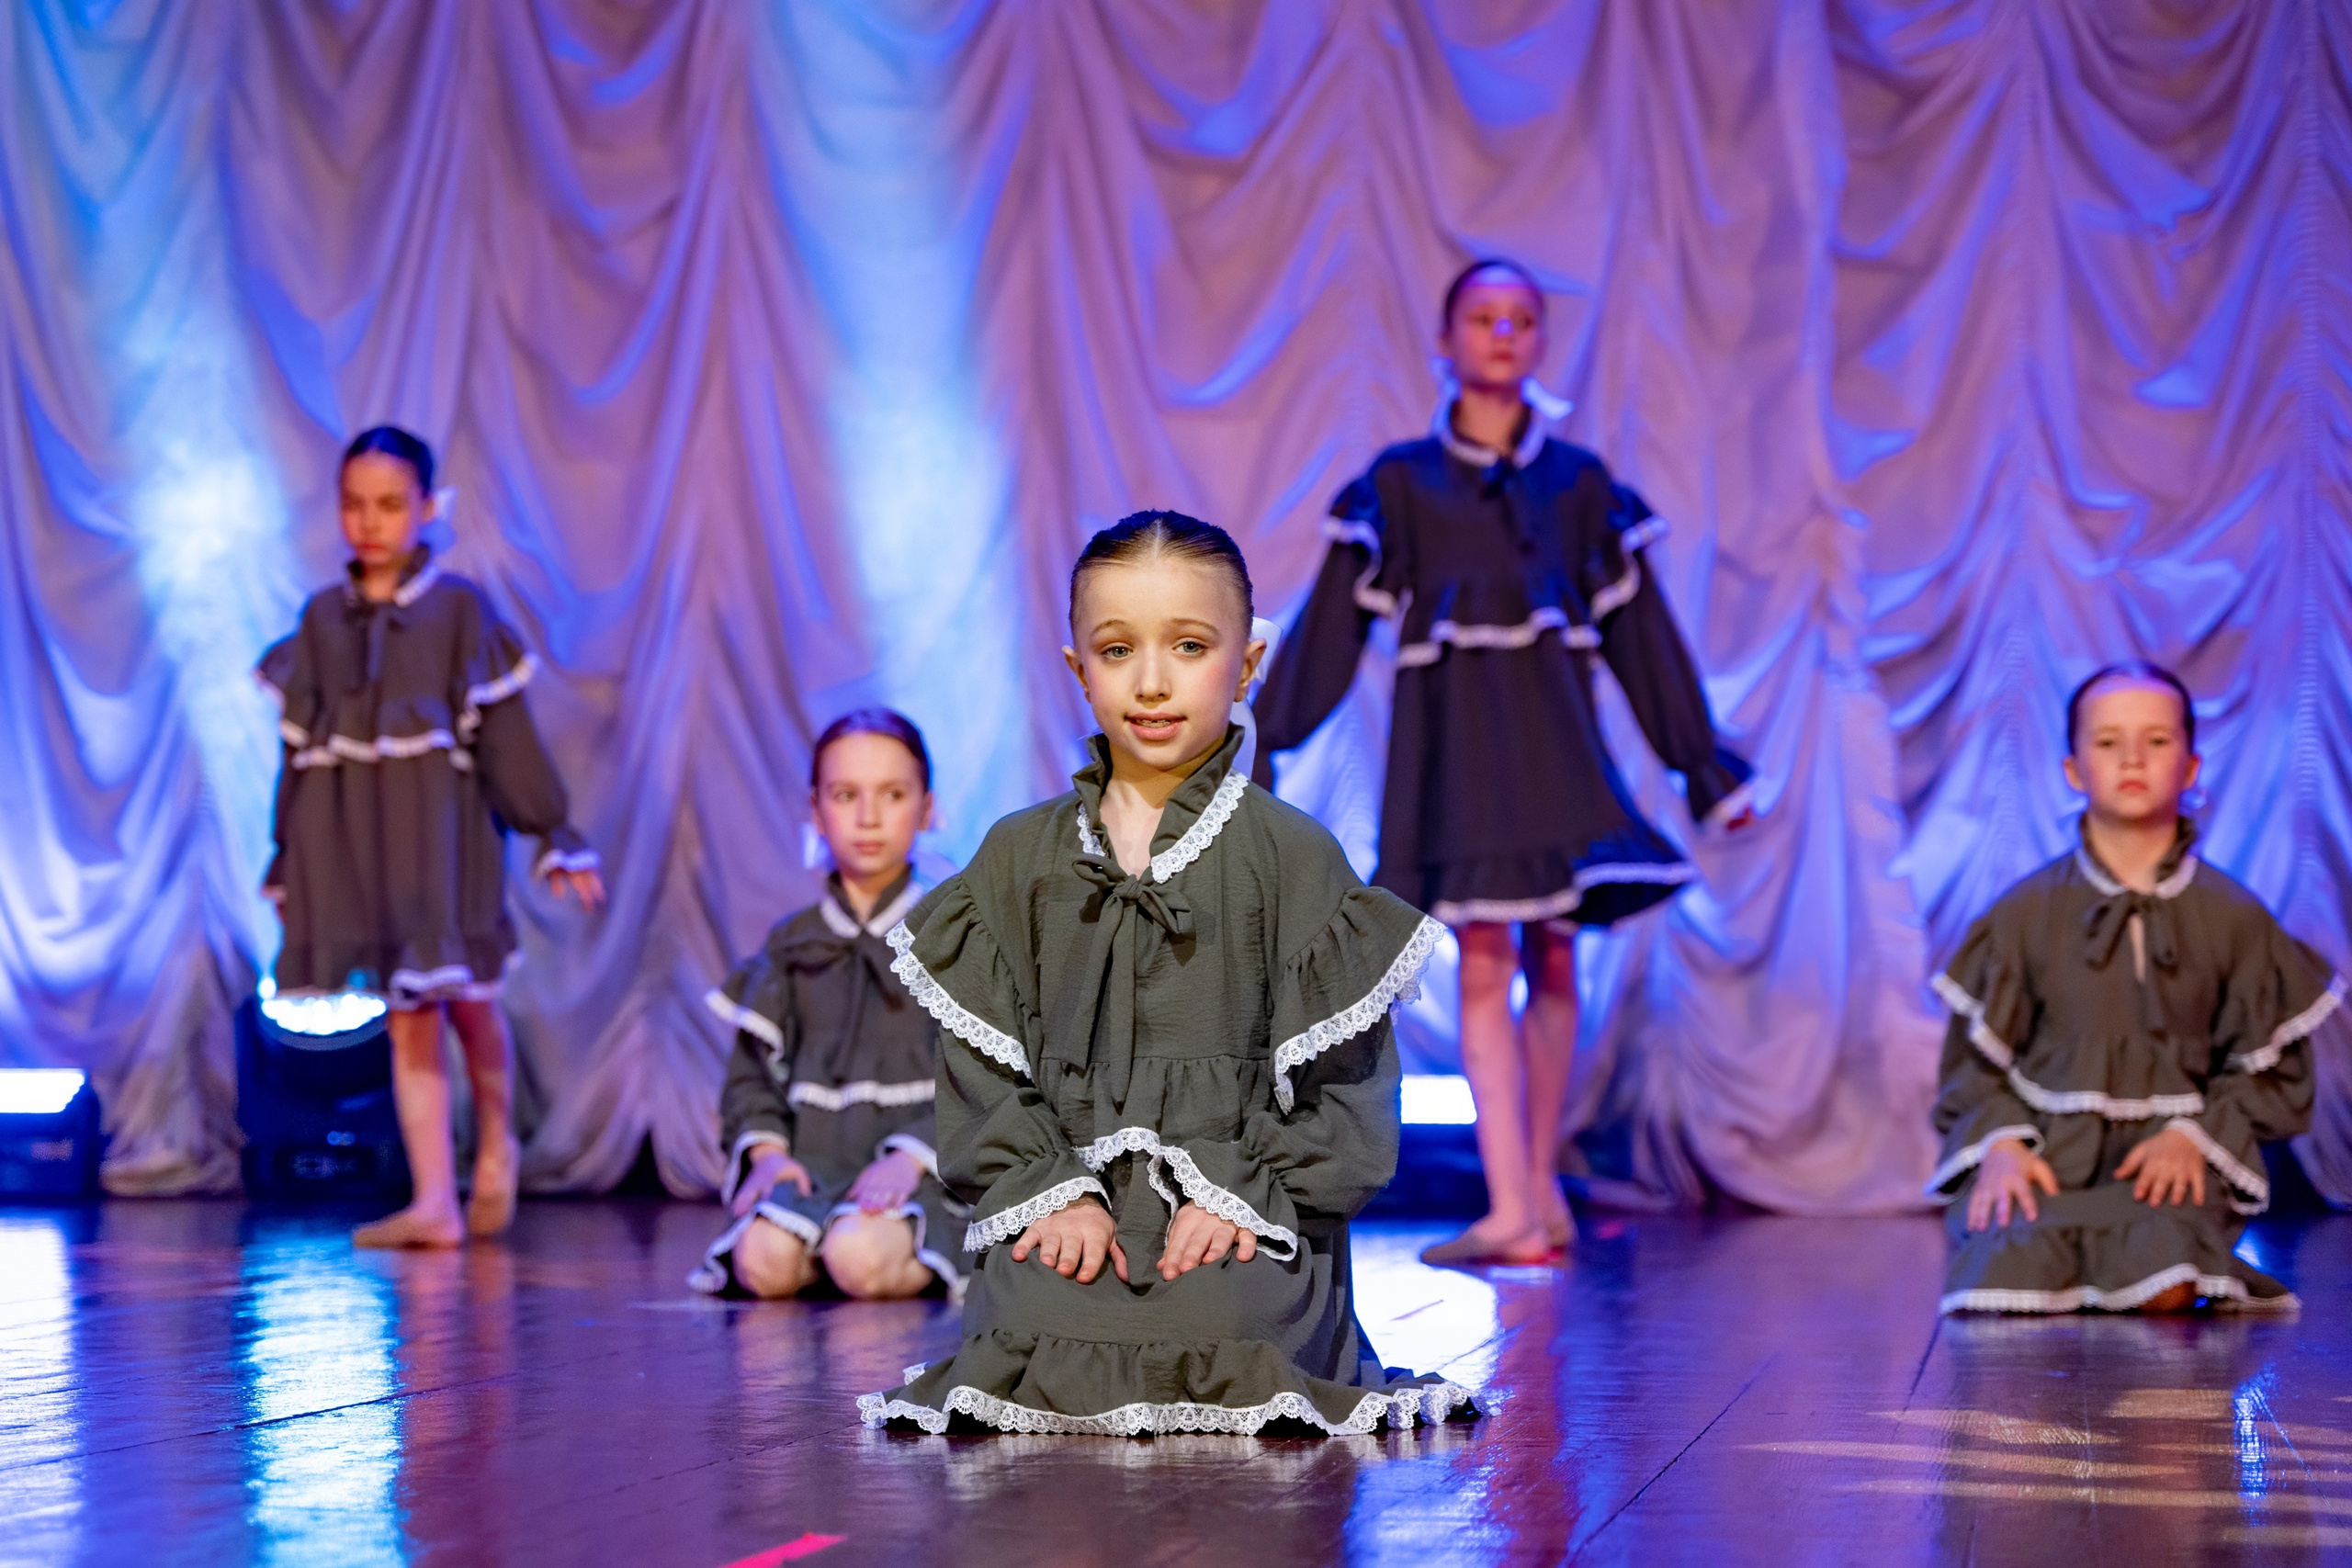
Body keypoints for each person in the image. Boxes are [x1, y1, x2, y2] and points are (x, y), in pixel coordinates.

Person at [857, 512, 1473, 1436]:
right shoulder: (1018, 855)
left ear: (1249, 662)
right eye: (1116, 650)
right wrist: (1052, 1191)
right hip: (1070, 1208)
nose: (1150, 682)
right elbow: (981, 1075)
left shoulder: (1292, 857)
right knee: (1035, 1307)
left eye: (1188, 646)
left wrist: (1241, 1191)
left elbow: (1343, 1092)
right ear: (1077, 668)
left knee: (1232, 1313)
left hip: (1242, 1214)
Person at [1252, 259, 1752, 1267]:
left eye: (1522, 319)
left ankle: (1533, 1199)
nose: (1502, 334)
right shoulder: (1399, 486)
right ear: (1446, 342)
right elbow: (1325, 639)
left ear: (1537, 343)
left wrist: (1701, 765)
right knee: (1486, 955)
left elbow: (1642, 639)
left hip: (1555, 753)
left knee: (1553, 952)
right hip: (1460, 760)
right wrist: (1262, 739)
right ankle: (1516, 1201)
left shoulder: (1577, 487)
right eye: (1482, 318)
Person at [261, 425, 604, 1248]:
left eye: (389, 505)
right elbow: (301, 760)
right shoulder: (320, 620)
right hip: (361, 847)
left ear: (426, 508)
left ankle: (495, 1146)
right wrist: (287, 859)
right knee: (409, 1015)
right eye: (354, 504)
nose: (370, 523)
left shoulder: (458, 612)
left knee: (469, 1005)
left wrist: (553, 830)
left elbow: (507, 740)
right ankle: (433, 1201)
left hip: (446, 849)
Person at [1929, 661, 2341, 1313]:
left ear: (2190, 765)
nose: (2132, 758)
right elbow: (1972, 1069)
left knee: (2165, 1281)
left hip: (2165, 1160)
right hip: (2049, 1157)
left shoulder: (2233, 915)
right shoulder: (2024, 911)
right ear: (2073, 770)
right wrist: (2004, 1144)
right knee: (2006, 1284)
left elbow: (2272, 1074)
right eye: (2107, 741)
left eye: (2155, 741)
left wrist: (2193, 1134)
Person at [690, 709, 969, 1301]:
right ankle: (817, 1233)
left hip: (924, 1172)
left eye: (893, 795)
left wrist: (910, 1159)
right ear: (816, 810)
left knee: (859, 1257)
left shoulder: (957, 935)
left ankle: (877, 1247)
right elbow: (751, 1081)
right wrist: (767, 1157)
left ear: (925, 808)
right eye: (846, 796)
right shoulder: (792, 944)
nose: (868, 818)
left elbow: (986, 1078)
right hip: (815, 1165)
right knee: (763, 1262)